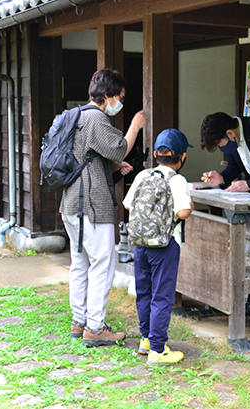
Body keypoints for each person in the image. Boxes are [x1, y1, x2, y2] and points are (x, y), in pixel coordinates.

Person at [60, 68, 146, 347]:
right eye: (118, 97)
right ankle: (96, 328)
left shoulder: (75, 117)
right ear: (107, 95)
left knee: (80, 263)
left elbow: (90, 159)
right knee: (102, 264)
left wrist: (113, 168)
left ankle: (80, 321)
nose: (118, 103)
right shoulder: (95, 118)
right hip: (92, 205)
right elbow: (119, 148)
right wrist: (135, 125)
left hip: (71, 202)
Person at [200, 112, 250, 324]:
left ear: (230, 133)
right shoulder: (233, 140)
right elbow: (233, 169)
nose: (223, 149)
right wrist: (221, 178)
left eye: (221, 144)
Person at [123, 129, 194, 366]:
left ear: (155, 154)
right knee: (162, 297)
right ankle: (158, 350)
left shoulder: (144, 175)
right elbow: (183, 212)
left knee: (144, 292)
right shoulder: (178, 180)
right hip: (165, 245)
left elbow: (127, 204)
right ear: (182, 157)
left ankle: (146, 340)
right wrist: (190, 204)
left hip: (141, 244)